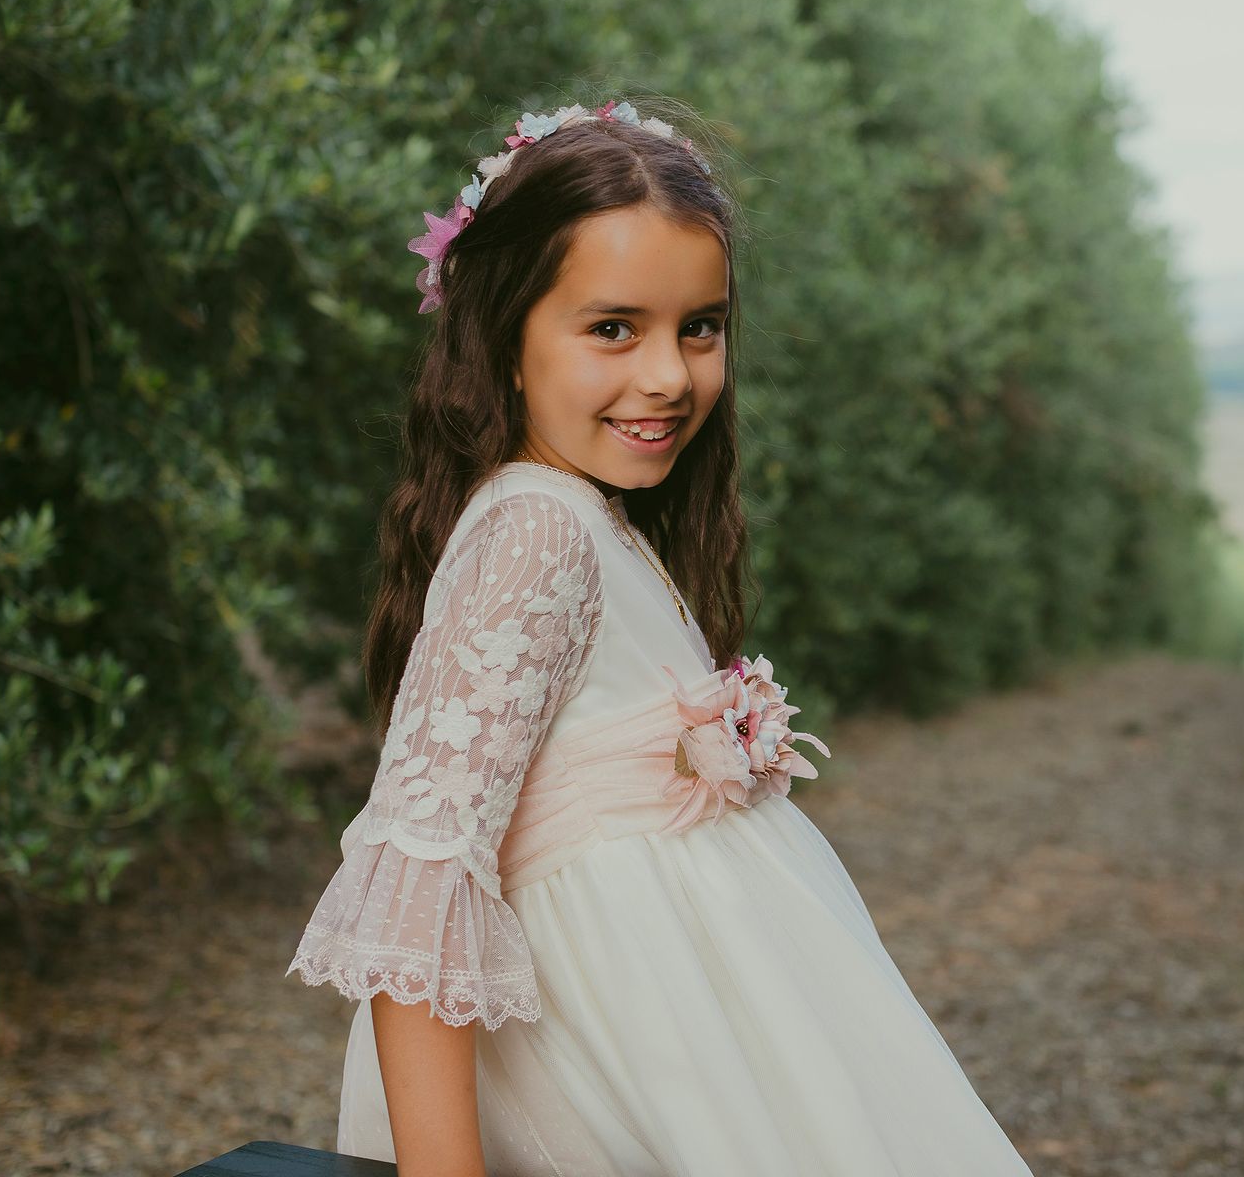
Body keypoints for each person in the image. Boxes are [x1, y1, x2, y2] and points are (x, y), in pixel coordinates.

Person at [283, 96, 1037, 1176]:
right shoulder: (536, 530)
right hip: (610, 1049)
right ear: (503, 337)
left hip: (702, 1021)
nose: (669, 376)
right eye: (612, 328)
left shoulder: (590, 519)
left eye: (701, 326)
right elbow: (420, 881)